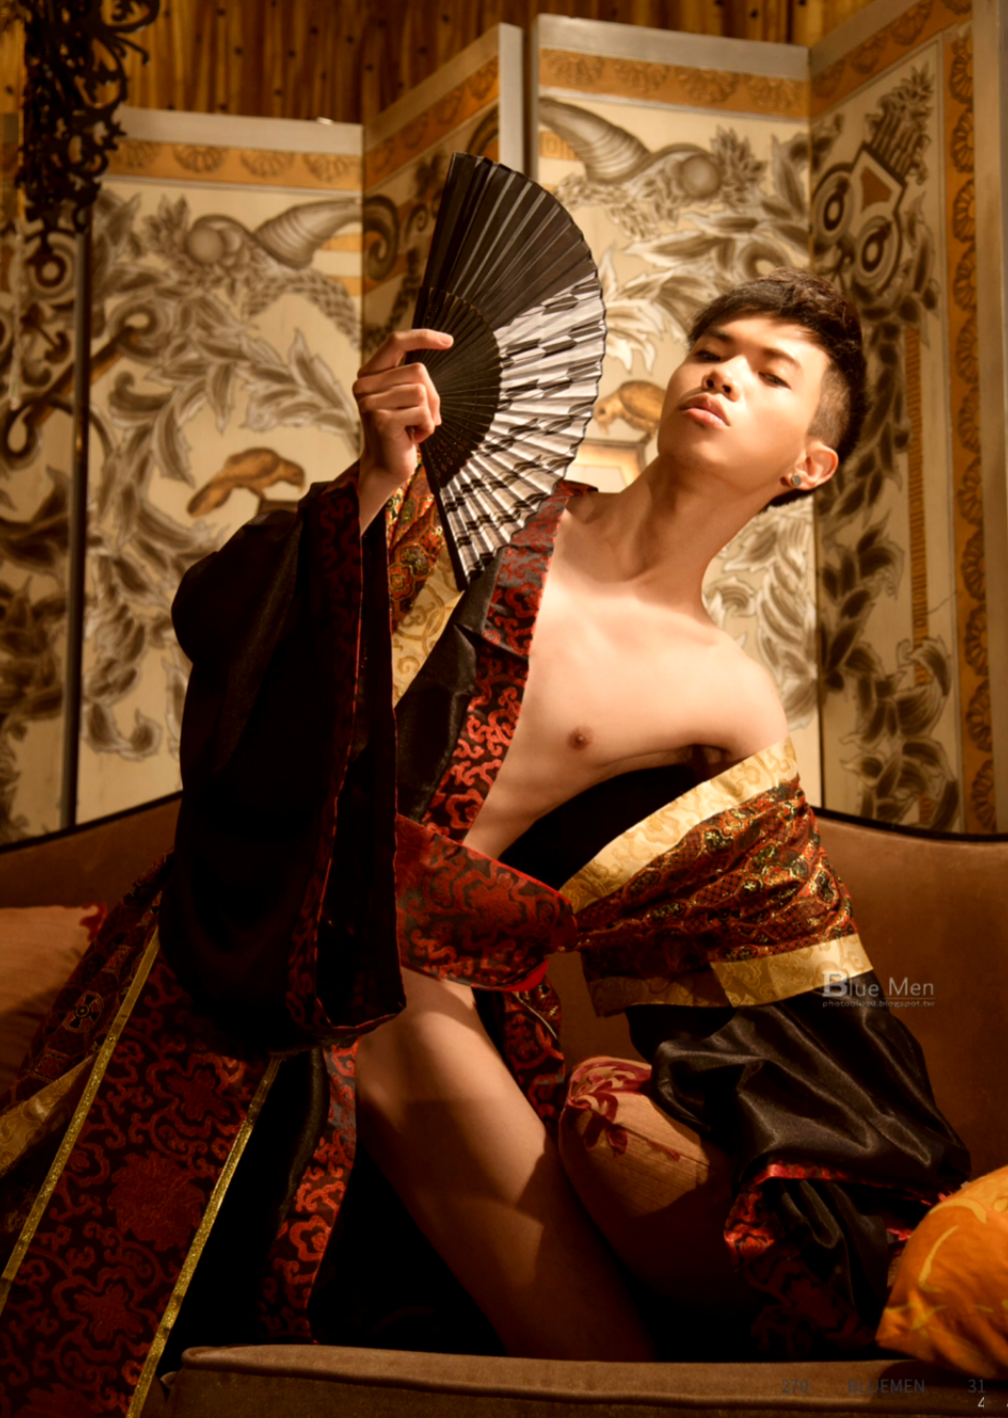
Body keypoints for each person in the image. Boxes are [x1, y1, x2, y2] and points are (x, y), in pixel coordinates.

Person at [0, 270, 968, 1416]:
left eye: (771, 372)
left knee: (400, 1008)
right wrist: (378, 476)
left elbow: (783, 949)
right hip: (250, 926)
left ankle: (624, 1391)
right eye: (713, 348)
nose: (723, 374)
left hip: (415, 997)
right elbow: (236, 629)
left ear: (809, 464)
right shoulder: (485, 508)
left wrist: (853, 1168)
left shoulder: (727, 697)